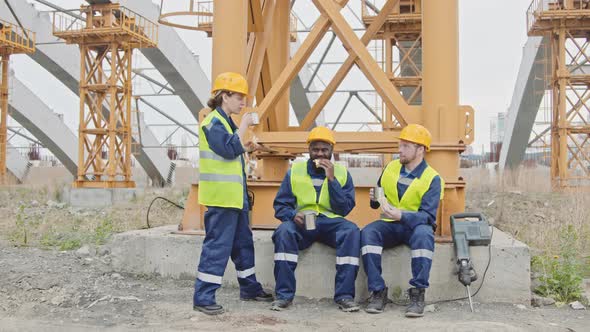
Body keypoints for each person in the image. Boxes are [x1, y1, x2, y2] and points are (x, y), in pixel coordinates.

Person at [193, 72, 272, 315]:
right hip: (221, 199)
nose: (242, 103)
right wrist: (246, 127)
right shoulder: (212, 122)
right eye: (239, 97)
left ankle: (249, 288)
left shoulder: (226, 123)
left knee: (243, 245)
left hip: (234, 198)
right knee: (217, 247)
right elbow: (227, 150)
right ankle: (203, 297)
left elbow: (231, 150)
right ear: (224, 96)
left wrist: (246, 146)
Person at [270, 126, 360, 312]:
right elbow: (280, 206)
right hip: (302, 223)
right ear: (309, 149)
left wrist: (332, 180)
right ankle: (283, 296)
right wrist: (292, 215)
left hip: (330, 223)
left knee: (351, 231)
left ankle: (344, 296)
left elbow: (344, 209)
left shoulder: (341, 173)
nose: (319, 154)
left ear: (331, 151)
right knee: (284, 231)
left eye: (324, 150)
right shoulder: (295, 171)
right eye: (315, 149)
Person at [360, 124, 444, 317]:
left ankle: (417, 294)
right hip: (390, 225)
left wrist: (402, 215)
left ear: (420, 149)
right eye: (400, 145)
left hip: (414, 228)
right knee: (368, 233)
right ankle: (378, 292)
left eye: (406, 146)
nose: (400, 149)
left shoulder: (432, 178)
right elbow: (376, 202)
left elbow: (428, 216)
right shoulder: (391, 167)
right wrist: (374, 199)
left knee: (425, 235)